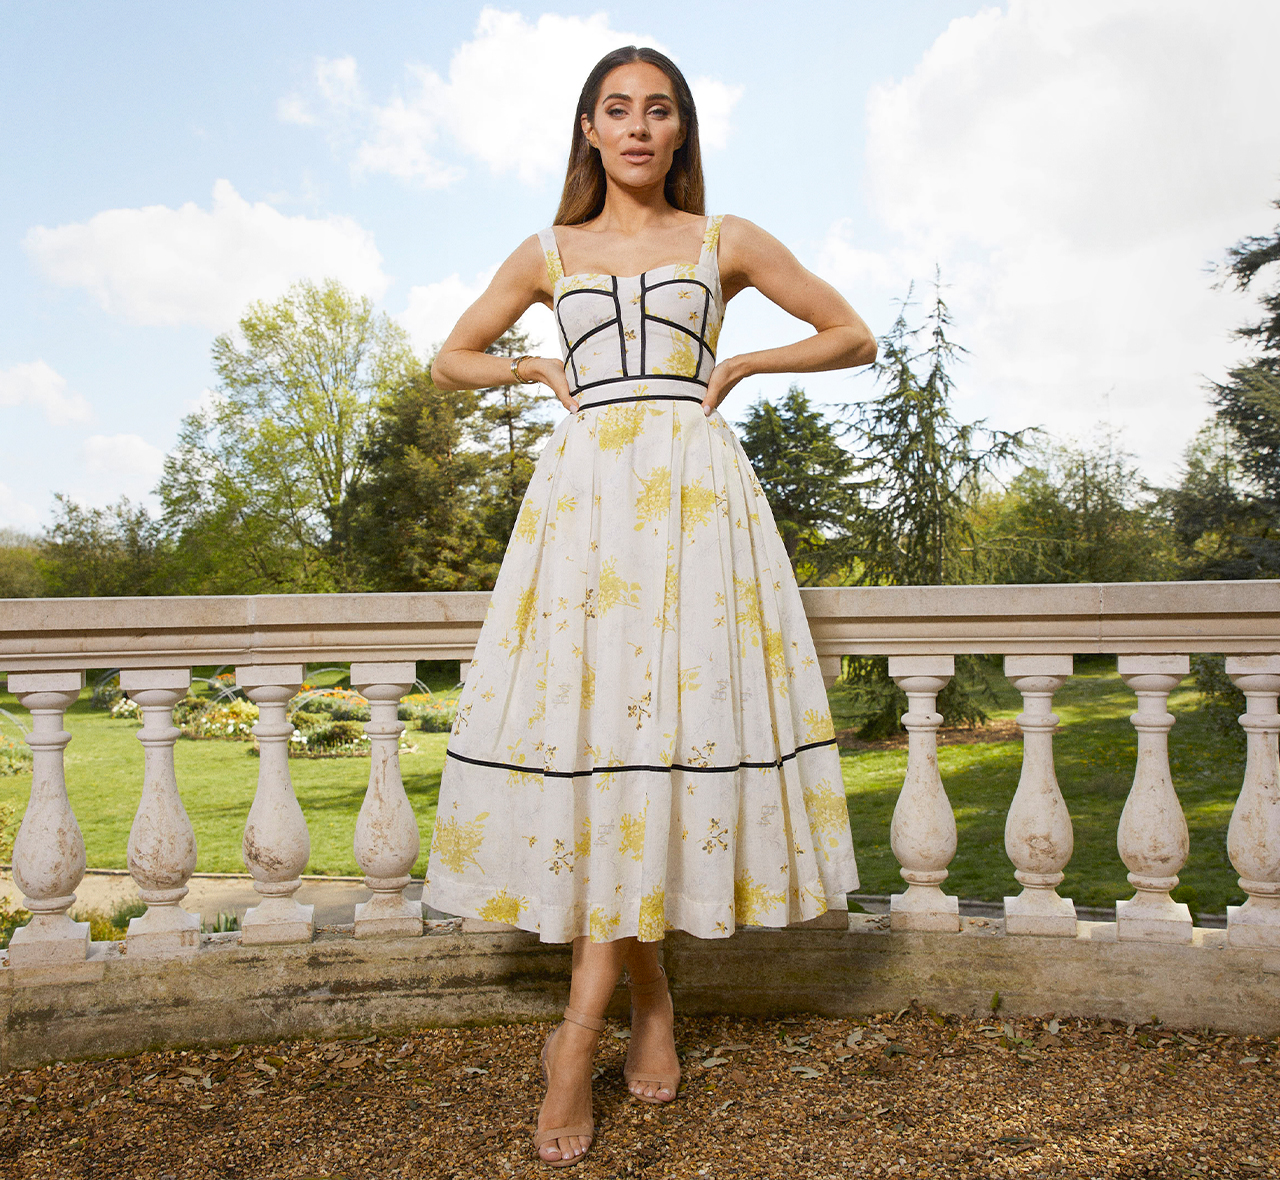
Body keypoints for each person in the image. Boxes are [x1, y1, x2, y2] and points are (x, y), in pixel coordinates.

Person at [425, 44, 876, 1167]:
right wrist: (530, 373)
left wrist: (745, 364)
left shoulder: (723, 242)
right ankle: (650, 1000)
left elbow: (853, 333)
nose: (636, 127)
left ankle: (574, 1042)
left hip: (692, 504)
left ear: (680, 130)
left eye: (657, 109)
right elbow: (448, 357)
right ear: (586, 129)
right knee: (600, 749)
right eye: (615, 109)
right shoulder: (547, 251)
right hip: (583, 508)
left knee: (658, 743)